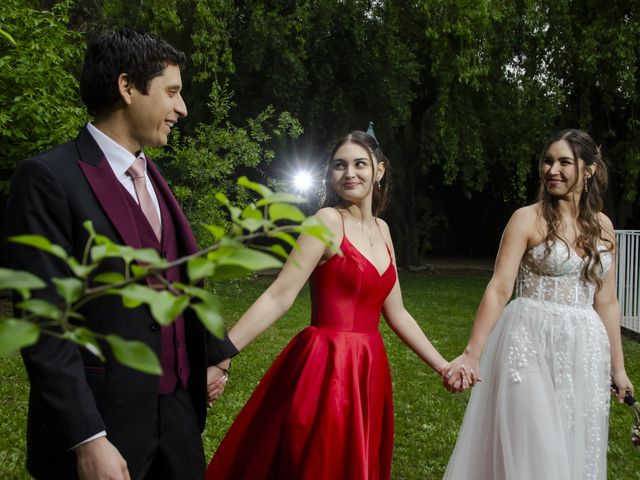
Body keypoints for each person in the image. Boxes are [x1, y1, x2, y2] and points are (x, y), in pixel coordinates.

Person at [5, 29, 236, 480]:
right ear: (127, 87)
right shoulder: (47, 178)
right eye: (172, 92)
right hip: (104, 429)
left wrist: (213, 353)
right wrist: (87, 439)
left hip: (177, 424)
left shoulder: (152, 175)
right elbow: (43, 320)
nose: (181, 108)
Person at [205, 130, 460, 479]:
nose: (349, 173)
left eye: (359, 164)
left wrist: (442, 366)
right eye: (339, 166)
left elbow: (397, 312)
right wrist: (223, 353)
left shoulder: (384, 230)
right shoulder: (325, 222)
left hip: (369, 371)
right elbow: (280, 294)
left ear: (379, 171)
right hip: (326, 368)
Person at [442, 128, 634, 479]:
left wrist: (617, 369)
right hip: (527, 342)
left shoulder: (603, 227)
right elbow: (500, 288)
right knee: (535, 451)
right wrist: (472, 353)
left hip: (584, 350)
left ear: (588, 170)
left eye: (564, 162)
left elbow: (606, 301)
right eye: (547, 161)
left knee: (571, 449)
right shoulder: (526, 218)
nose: (552, 170)